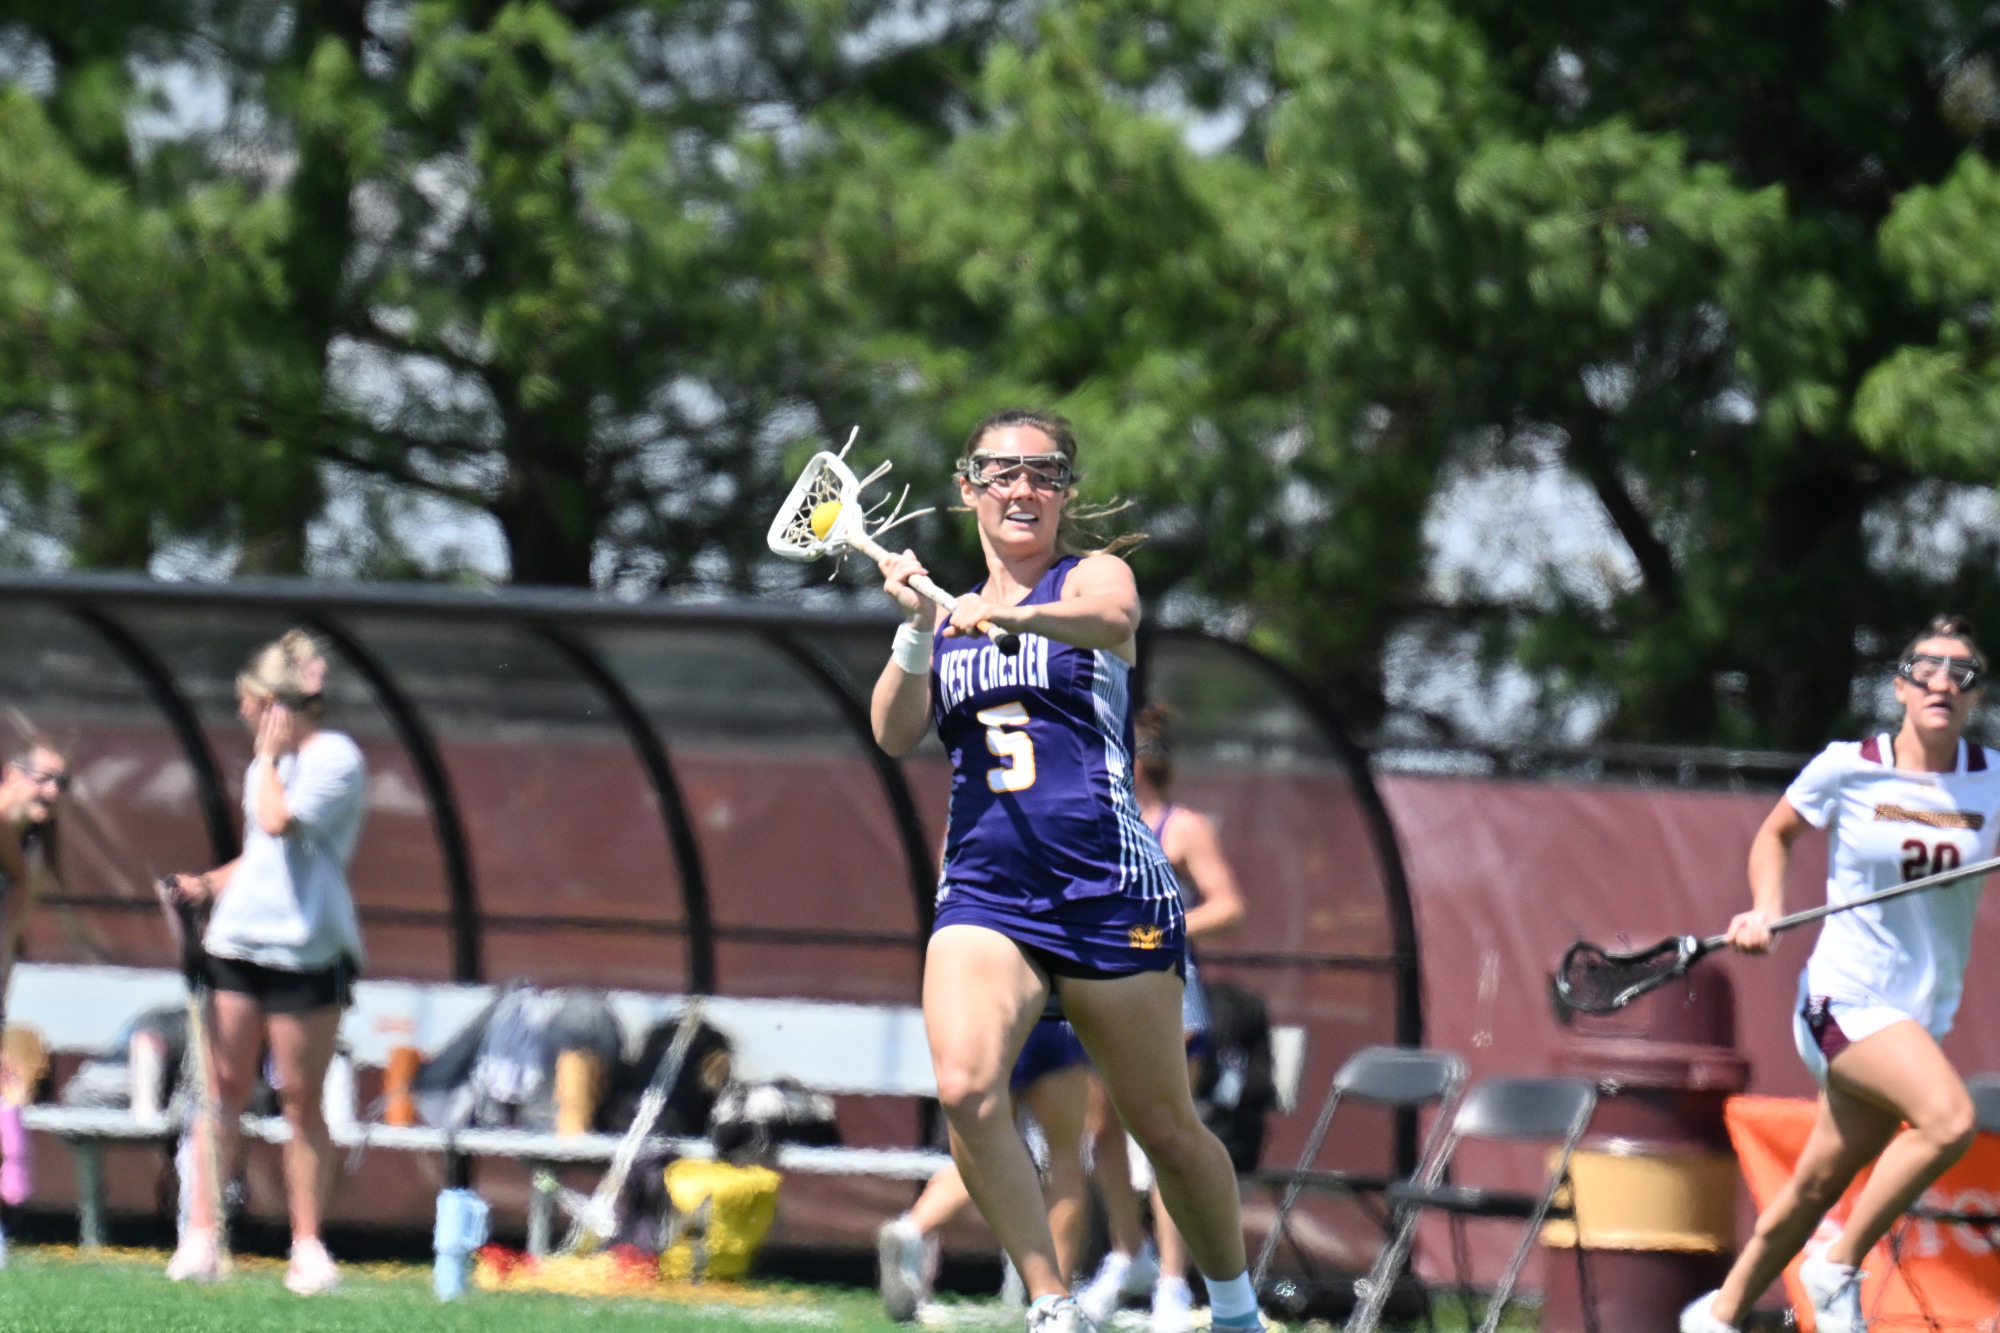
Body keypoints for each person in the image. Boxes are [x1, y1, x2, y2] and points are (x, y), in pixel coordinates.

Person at [871, 409, 1262, 1333]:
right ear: (968, 486)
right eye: (1000, 472)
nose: (1022, 488)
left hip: (1107, 891)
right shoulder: (952, 616)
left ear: (1064, 491)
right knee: (967, 1087)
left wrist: (1010, 611)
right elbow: (894, 733)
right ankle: (1052, 1306)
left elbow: (1115, 615)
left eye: (1043, 473)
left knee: (1163, 1128)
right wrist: (921, 629)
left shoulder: (1088, 578)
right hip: (987, 892)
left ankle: (1236, 1311)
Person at [1682, 615, 1998, 1333]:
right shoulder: (1847, 764)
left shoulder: (1993, 780)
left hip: (1918, 1015)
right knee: (1950, 1120)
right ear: (1901, 686)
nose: (1944, 681)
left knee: (1817, 1181)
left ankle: (1720, 1314)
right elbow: (1777, 831)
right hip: (1843, 998)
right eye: (1927, 667)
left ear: (1975, 698)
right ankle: (1839, 1266)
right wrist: (1765, 907)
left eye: (1963, 672)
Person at [163, 630, 368, 1295]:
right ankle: (201, 1235)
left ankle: (307, 1246)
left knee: (299, 1102)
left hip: (307, 951)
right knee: (220, 1091)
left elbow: (282, 826)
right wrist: (208, 884)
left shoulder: (331, 757)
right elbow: (262, 854)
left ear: (269, 702)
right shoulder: (268, 764)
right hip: (239, 945)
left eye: (247, 702)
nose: (243, 714)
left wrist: (271, 761)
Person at [1078, 706, 1247, 1332]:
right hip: (1104, 992)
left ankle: (1173, 1284)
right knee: (1101, 1128)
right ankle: (1128, 1255)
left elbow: (1229, 906)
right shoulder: (1097, 823)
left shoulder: (1183, 827)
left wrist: (1156, 932)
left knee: (1168, 1136)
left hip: (1170, 994)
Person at [878, 1021, 1094, 1321]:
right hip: (1051, 1014)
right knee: (1066, 1161)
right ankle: (1055, 1306)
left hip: (991, 1019)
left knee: (984, 1157)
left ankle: (912, 1230)